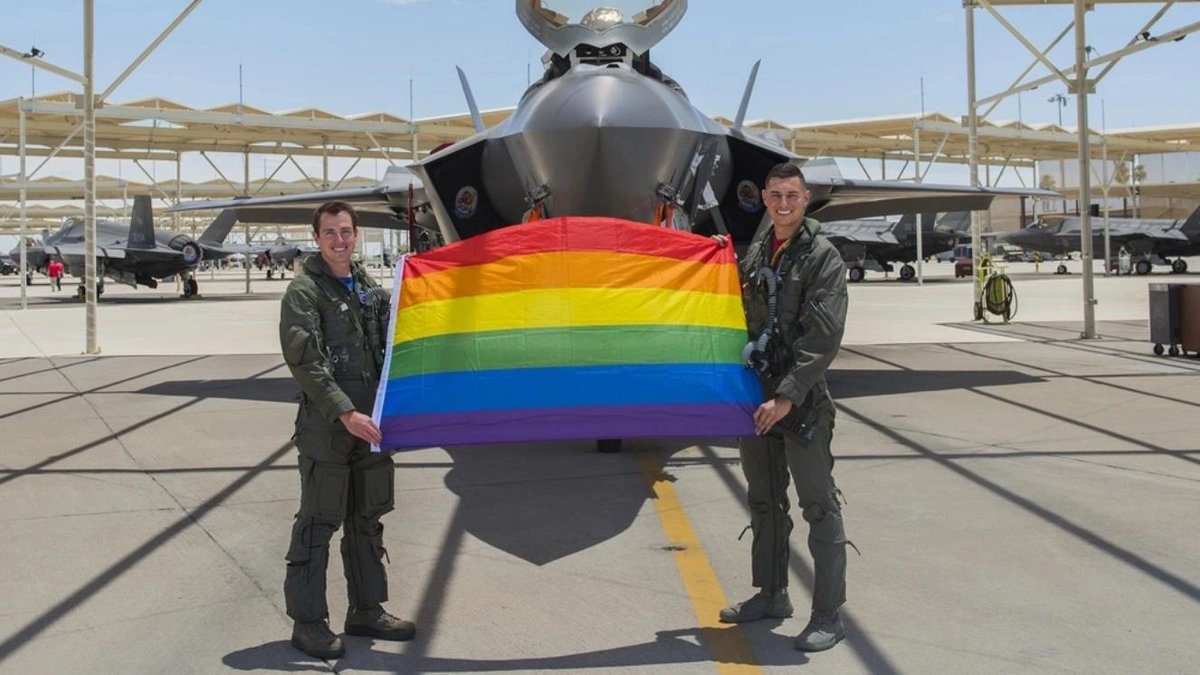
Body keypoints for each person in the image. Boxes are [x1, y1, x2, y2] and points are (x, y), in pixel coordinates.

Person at [713, 163, 851, 652]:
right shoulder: (757, 251)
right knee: (765, 502)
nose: (784, 203)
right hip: (758, 400)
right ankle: (771, 595)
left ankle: (829, 615)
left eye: (792, 195)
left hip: (801, 403)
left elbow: (824, 338)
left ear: (806, 197)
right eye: (776, 195)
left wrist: (786, 395)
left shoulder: (823, 258)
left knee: (818, 506)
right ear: (765, 199)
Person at [279, 200, 415, 659]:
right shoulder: (304, 292)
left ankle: (366, 609)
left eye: (346, 231)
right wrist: (345, 413)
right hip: (329, 429)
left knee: (366, 519)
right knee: (318, 524)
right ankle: (309, 622)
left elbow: (392, 338)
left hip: (370, 427)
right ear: (317, 238)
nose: (340, 240)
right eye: (330, 233)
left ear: (356, 235)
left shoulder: (366, 286)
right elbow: (306, 363)